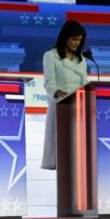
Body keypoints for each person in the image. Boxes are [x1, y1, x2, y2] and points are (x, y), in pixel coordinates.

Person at [41, 20, 89, 170]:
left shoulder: (81, 59)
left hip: (78, 109)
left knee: (77, 158)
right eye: (74, 39)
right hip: (61, 107)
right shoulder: (51, 56)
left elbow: (85, 84)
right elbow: (49, 84)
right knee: (63, 156)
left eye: (79, 40)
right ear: (65, 37)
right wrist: (64, 94)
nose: (77, 43)